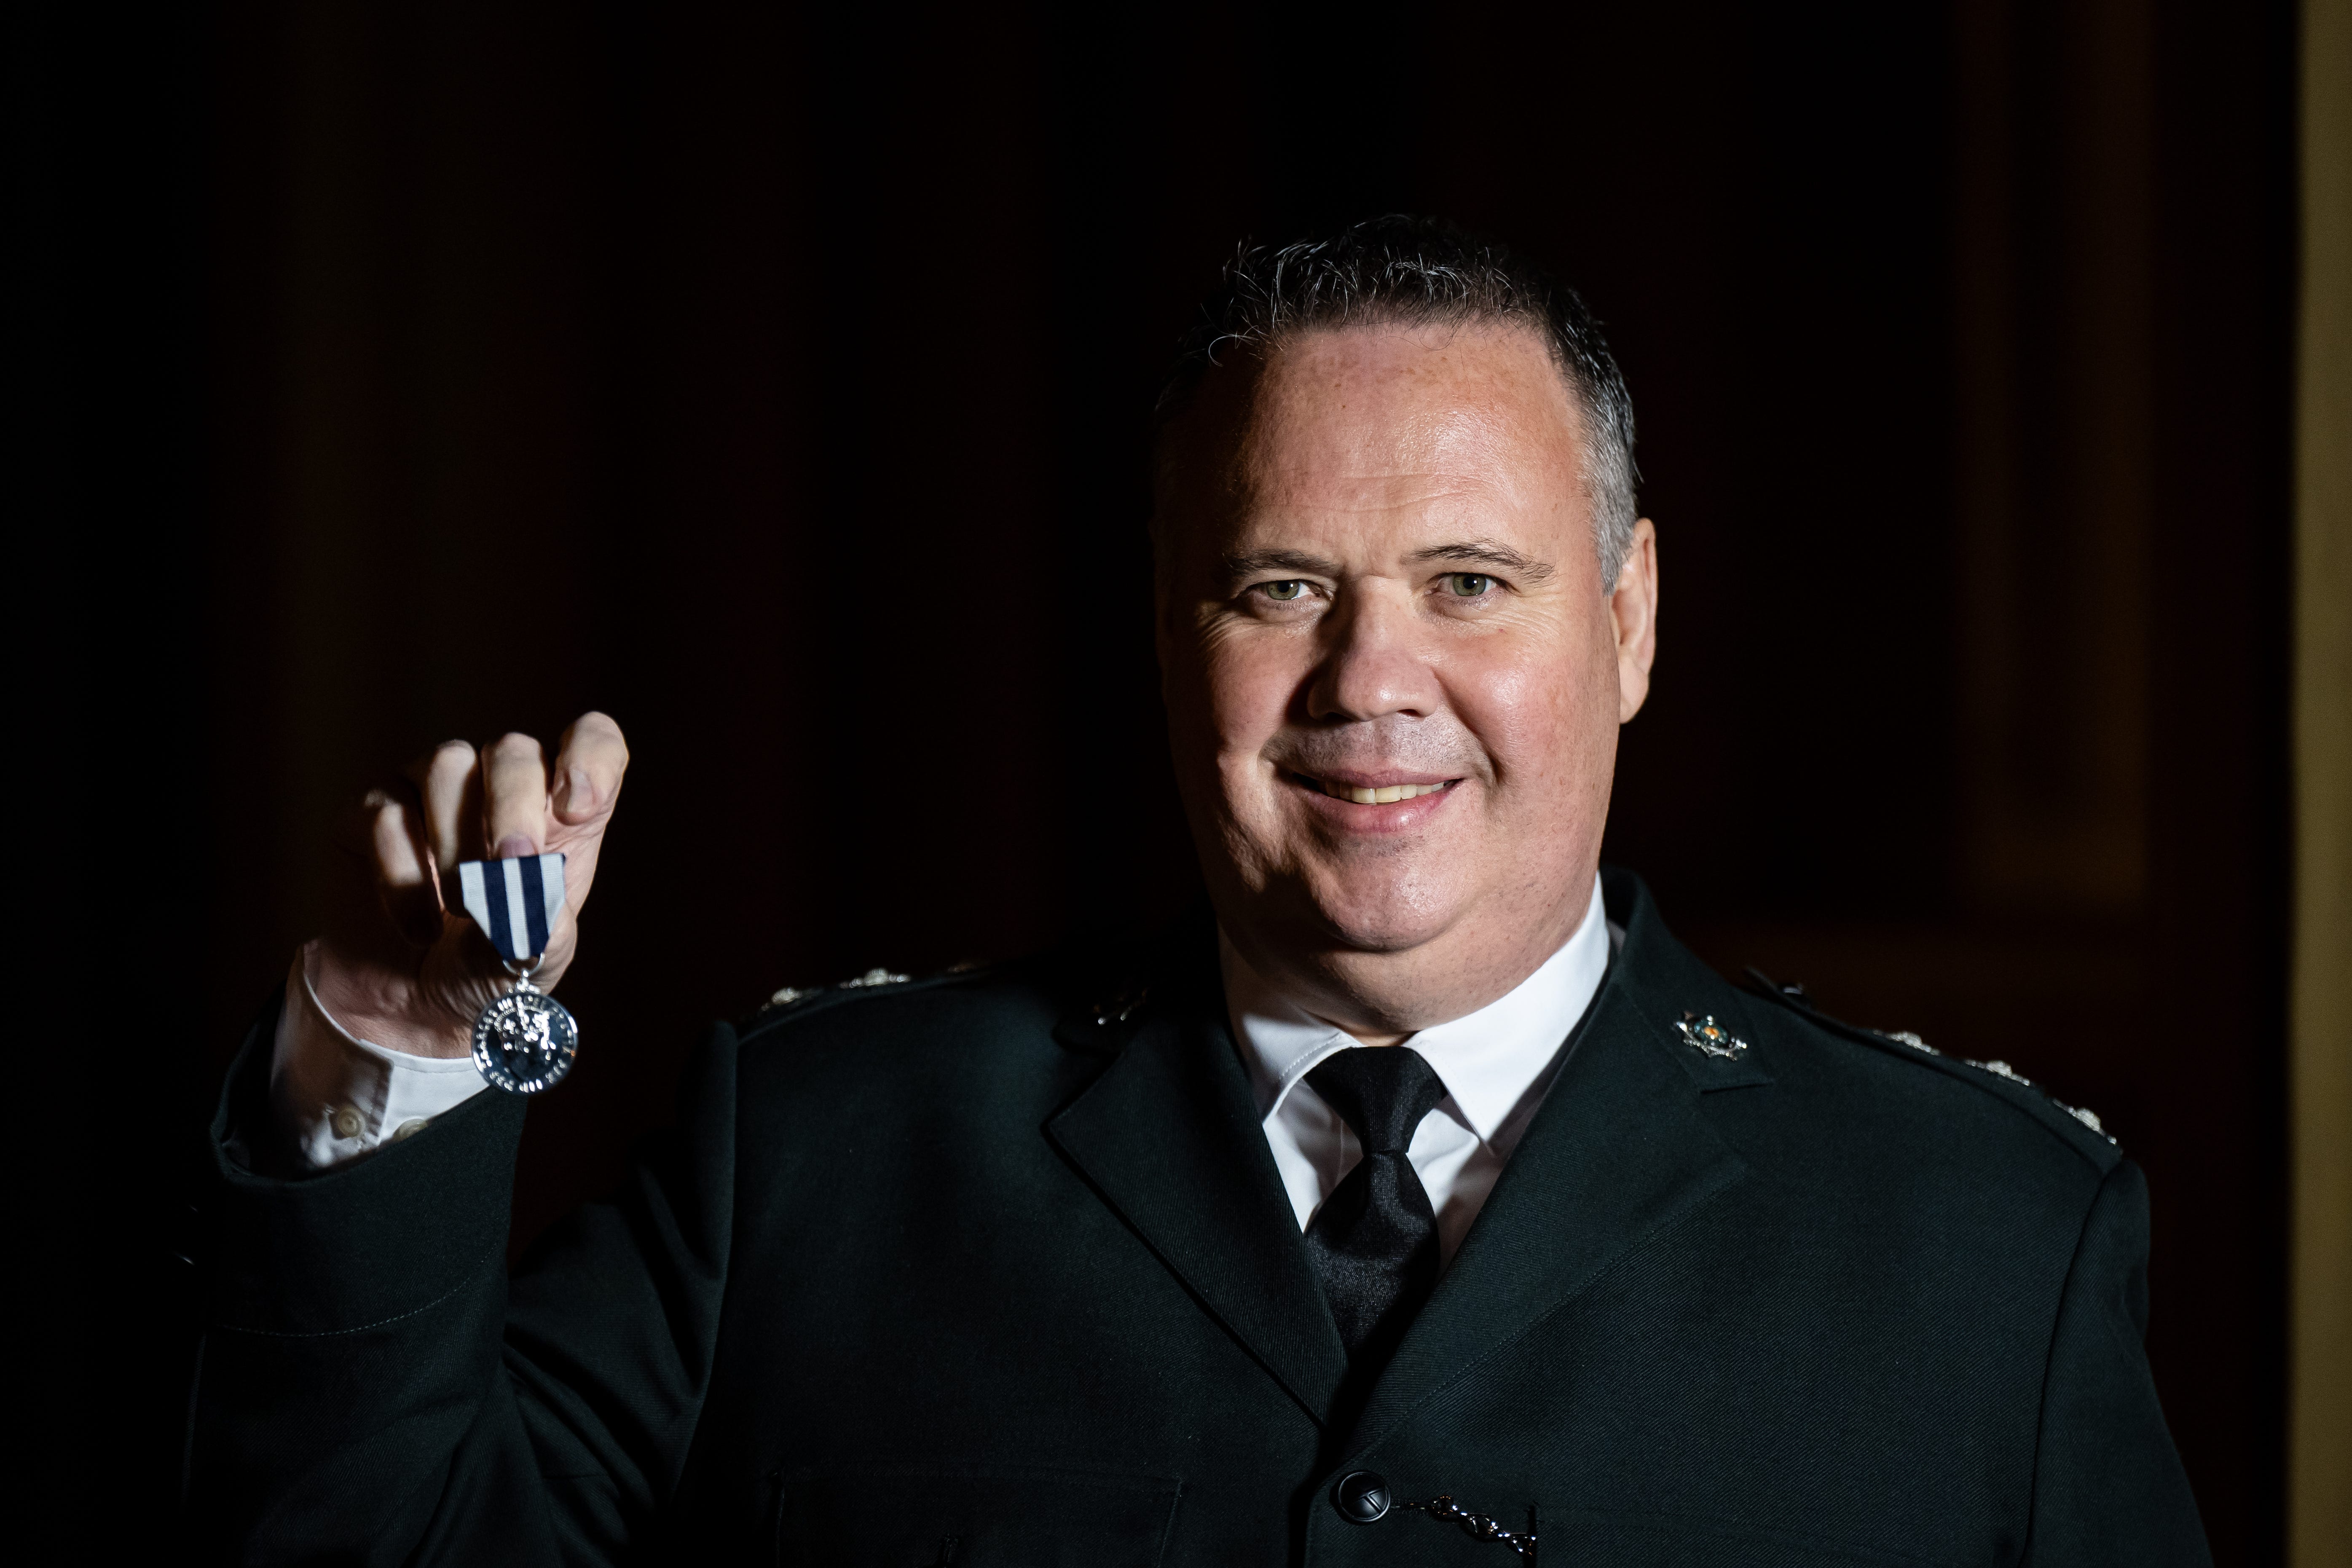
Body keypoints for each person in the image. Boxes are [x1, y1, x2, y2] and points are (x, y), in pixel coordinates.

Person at [188, 217, 2210, 1565]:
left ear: (1631, 618)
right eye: (1280, 589)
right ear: (1172, 641)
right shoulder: (807, 1156)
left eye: (1469, 585)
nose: (1368, 681)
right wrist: (402, 1049)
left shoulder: (1985, 1246)